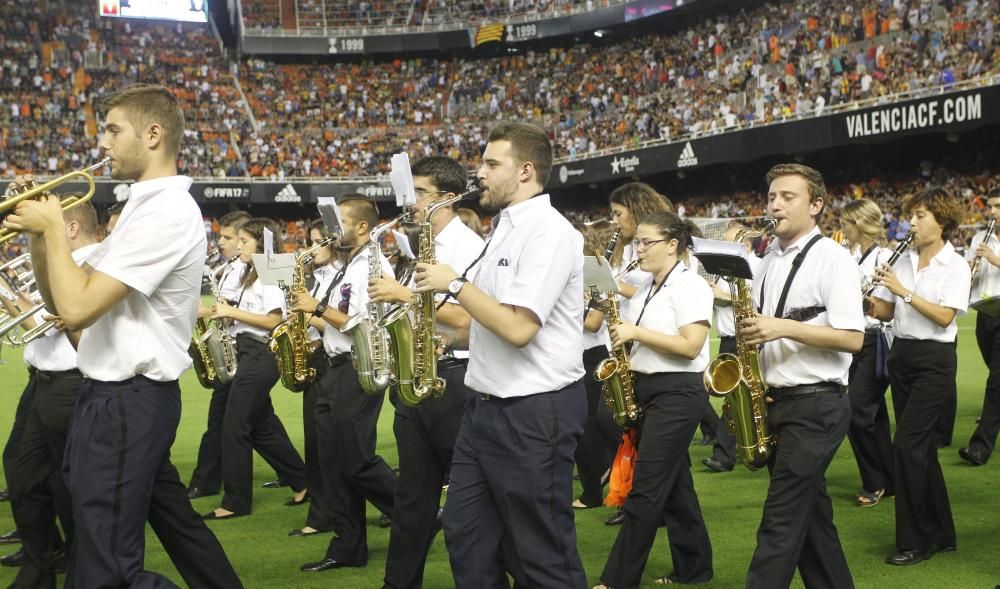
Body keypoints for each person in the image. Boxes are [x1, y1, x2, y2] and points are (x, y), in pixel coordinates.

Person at [5, 83, 242, 588]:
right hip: (112, 398)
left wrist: (52, 229)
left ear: (153, 134)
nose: (104, 144)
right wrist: (40, 239)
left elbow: (78, 308)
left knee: (104, 571)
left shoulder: (166, 211)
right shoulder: (139, 204)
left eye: (113, 130)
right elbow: (62, 307)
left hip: (126, 400)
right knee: (175, 531)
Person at [414, 122, 588, 588]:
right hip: (485, 406)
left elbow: (518, 328)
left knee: (541, 552)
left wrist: (453, 282)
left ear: (526, 171)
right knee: (466, 534)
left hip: (534, 409)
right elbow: (490, 318)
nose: (480, 173)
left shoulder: (549, 232)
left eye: (492, 164)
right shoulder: (503, 228)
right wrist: (449, 340)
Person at [742, 163, 863, 589]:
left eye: (787, 197)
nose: (775, 204)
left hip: (817, 404)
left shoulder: (834, 258)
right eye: (772, 196)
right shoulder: (767, 260)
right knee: (812, 523)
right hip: (778, 400)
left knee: (779, 523)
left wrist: (780, 326)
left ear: (816, 205)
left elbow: (852, 338)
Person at [367, 156, 485, 588]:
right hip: (418, 374)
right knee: (412, 498)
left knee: (472, 500)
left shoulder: (468, 246)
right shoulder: (425, 244)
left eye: (419, 193)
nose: (409, 201)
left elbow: (463, 319)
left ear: (448, 198)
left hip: (453, 380)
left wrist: (401, 293)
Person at [590, 211, 714, 588]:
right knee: (676, 487)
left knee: (645, 490)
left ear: (672, 245)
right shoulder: (647, 287)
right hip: (647, 389)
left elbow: (691, 347)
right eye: (637, 242)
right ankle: (695, 568)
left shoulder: (691, 286)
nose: (638, 249)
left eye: (646, 243)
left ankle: (617, 580)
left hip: (677, 392)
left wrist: (634, 332)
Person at [289, 194, 398, 572]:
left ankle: (414, 511)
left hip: (358, 365)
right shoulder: (347, 264)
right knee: (333, 464)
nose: (331, 233)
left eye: (339, 224)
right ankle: (347, 547)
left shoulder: (372, 264)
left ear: (363, 227)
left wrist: (316, 308)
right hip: (333, 368)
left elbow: (359, 324)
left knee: (355, 461)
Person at [868, 186, 968, 565]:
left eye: (920, 215)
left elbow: (945, 316)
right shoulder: (905, 260)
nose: (911, 221)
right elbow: (889, 312)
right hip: (903, 355)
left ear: (941, 222)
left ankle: (915, 540)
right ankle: (942, 533)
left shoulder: (955, 265)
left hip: (934, 360)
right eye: (911, 214)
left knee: (907, 447)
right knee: (921, 450)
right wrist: (869, 301)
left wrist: (903, 291)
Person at [2, 202, 98, 585]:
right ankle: (42, 562)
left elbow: (60, 315)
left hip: (72, 382)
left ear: (70, 227)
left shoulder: (95, 260)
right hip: (41, 379)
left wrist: (18, 303)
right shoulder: (62, 258)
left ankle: (79, 566)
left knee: (67, 486)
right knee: (23, 476)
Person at [203, 217, 308, 520]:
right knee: (261, 425)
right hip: (247, 349)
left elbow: (275, 320)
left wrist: (229, 311)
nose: (238, 245)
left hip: (262, 351)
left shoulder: (272, 266)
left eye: (245, 241)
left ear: (262, 244)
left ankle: (235, 501)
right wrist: (224, 315)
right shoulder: (252, 270)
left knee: (235, 425)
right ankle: (302, 481)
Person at [187, 209, 251, 499]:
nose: (221, 243)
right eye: (220, 236)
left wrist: (211, 311)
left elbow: (245, 308)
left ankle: (206, 480)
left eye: (227, 237)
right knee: (262, 426)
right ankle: (299, 478)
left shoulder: (248, 268)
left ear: (242, 239)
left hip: (242, 350)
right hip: (232, 348)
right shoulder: (229, 268)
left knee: (221, 421)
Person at [839, 199, 895, 507]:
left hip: (874, 340)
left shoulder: (885, 256)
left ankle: (874, 481)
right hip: (855, 340)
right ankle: (891, 478)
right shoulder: (852, 256)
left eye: (847, 223)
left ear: (860, 224)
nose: (843, 229)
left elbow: (887, 308)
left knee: (857, 412)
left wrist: (862, 299)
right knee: (874, 415)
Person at [289, 219, 339, 538]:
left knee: (335, 449)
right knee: (315, 444)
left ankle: (390, 503)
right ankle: (321, 514)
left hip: (335, 361)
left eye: (319, 241)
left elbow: (347, 325)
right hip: (315, 360)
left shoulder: (338, 275)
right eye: (310, 240)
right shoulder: (317, 278)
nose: (311, 247)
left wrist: (311, 316)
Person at [702, 222, 762, 474]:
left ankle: (724, 455)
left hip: (746, 338)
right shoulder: (725, 268)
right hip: (727, 337)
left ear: (746, 245)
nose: (723, 247)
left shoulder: (758, 267)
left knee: (734, 398)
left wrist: (723, 296)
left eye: (729, 242)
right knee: (732, 397)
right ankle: (745, 443)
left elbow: (759, 306)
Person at [573, 220, 621, 510]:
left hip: (593, 354)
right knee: (583, 430)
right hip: (571, 354)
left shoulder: (597, 268)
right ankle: (596, 486)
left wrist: (562, 303)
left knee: (593, 428)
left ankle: (599, 490)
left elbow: (593, 322)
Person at [959, 188, 1000, 466]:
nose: (992, 212)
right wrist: (970, 269)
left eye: (998, 206)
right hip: (985, 312)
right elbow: (973, 278)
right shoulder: (979, 239)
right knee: (993, 369)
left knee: (995, 379)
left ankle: (980, 446)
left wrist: (995, 259)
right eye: (992, 207)